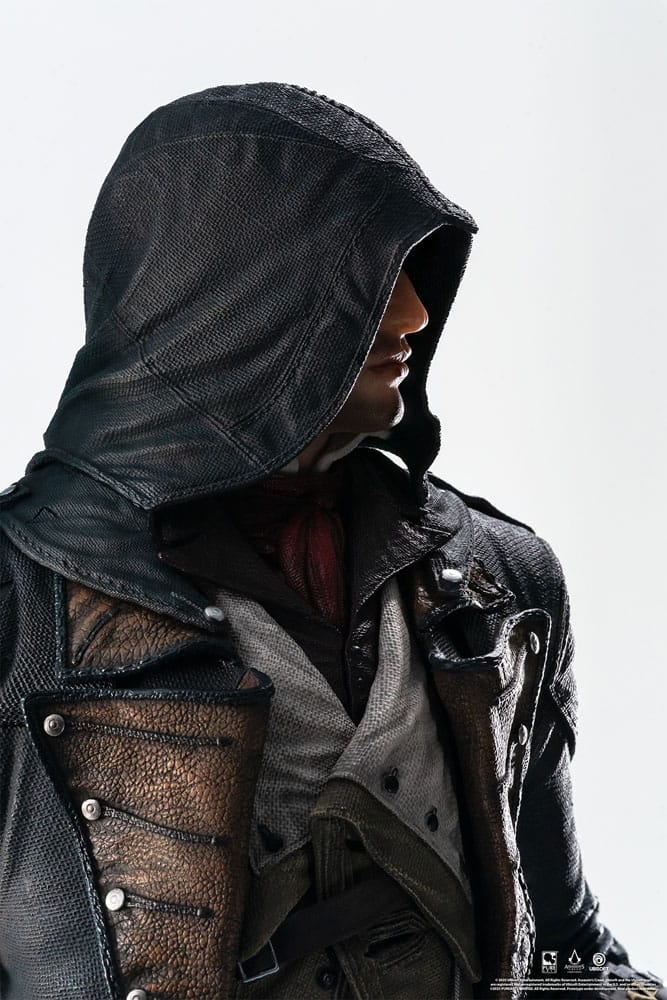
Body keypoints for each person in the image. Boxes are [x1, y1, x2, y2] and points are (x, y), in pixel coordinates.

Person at [0, 82, 662, 1000]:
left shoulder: (501, 579)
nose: (413, 316)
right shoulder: (18, 605)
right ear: (230, 303)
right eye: (364, 282)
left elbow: (563, 947)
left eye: (411, 275)